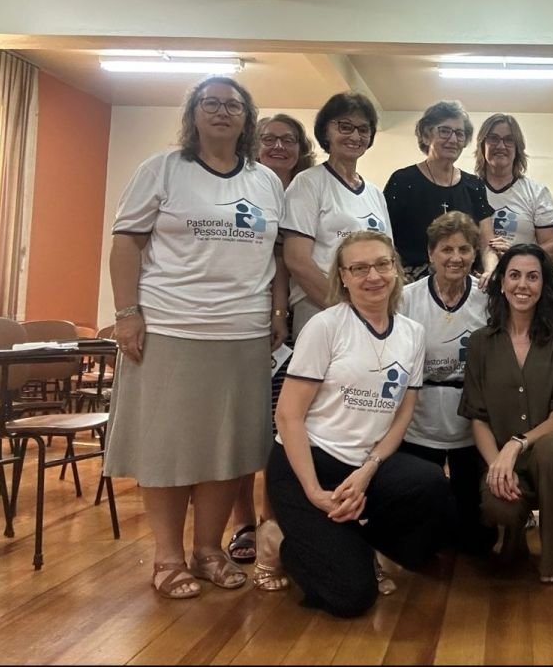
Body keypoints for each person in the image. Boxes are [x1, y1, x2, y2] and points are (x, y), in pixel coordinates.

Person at [106, 76, 287, 600]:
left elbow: (275, 257)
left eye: (233, 105)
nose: (222, 112)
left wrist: (276, 310)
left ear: (246, 117)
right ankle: (167, 556)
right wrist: (126, 313)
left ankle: (209, 550)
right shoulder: (162, 170)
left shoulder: (265, 182)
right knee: (166, 447)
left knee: (226, 449)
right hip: (171, 327)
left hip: (244, 333)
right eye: (211, 103)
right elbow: (126, 244)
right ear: (194, 113)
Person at [266, 231, 454, 617]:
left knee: (433, 487)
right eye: (360, 268)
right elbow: (287, 416)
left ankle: (356, 540)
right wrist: (316, 492)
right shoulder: (326, 326)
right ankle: (279, 541)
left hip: (362, 466)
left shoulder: (411, 333)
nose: (374, 276)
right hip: (310, 464)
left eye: (382, 264)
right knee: (352, 597)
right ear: (344, 277)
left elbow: (403, 412)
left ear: (396, 270)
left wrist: (369, 469)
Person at [459, 243, 553, 584]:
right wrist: (497, 466)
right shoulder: (480, 343)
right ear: (501, 283)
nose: (523, 285)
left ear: (544, 285)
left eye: (533, 277)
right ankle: (513, 534)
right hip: (503, 460)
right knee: (496, 504)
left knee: (547, 449)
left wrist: (515, 445)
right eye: (515, 275)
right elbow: (478, 417)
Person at [227, 113, 315, 588]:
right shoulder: (241, 185)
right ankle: (243, 520)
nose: (279, 146)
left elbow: (286, 262)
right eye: (270, 138)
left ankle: (271, 521)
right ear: (253, 143)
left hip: (287, 329)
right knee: (244, 427)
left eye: (289, 140)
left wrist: (280, 313)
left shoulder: (302, 190)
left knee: (280, 428)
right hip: (236, 321)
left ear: (302, 148)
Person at [397, 212, 494, 554]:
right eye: (446, 249)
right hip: (420, 418)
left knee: (475, 536)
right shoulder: (407, 298)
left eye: (465, 249)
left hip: (470, 421)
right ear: (431, 254)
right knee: (421, 515)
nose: (456, 257)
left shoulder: (487, 300)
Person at [282, 92, 392, 336]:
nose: (355, 136)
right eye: (345, 126)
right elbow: (297, 260)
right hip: (320, 308)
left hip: (371, 310)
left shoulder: (374, 193)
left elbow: (388, 258)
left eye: (363, 129)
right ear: (326, 132)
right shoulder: (308, 183)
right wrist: (346, 308)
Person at [384, 101, 496, 283]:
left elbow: (486, 243)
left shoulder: (474, 185)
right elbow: (385, 240)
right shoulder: (403, 181)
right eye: (444, 131)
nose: (453, 140)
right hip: (412, 286)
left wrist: (491, 271)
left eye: (459, 134)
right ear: (426, 136)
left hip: (463, 283)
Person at [475, 113, 553, 264]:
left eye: (509, 140)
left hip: (520, 283)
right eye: (493, 138)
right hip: (475, 283)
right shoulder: (467, 190)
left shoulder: (536, 192)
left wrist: (515, 254)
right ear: (483, 145)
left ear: (517, 148)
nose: (501, 146)